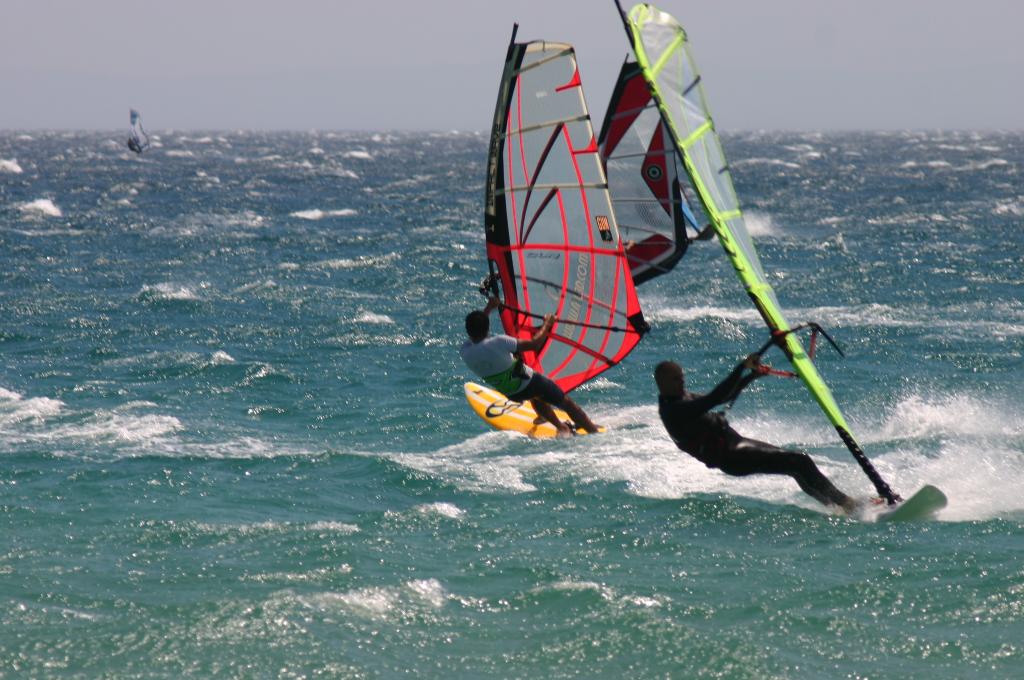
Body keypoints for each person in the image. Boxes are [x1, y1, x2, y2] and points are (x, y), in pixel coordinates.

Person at [654, 356, 859, 513]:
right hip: (732, 457)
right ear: (662, 382)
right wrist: (742, 367)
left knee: (795, 466)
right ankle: (847, 504)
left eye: (682, 377)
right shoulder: (674, 410)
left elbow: (726, 395)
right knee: (799, 461)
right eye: (676, 379)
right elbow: (715, 398)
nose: (681, 382)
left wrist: (751, 375)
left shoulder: (682, 396)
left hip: (737, 444)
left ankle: (837, 507)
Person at [461, 297, 599, 437]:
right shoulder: (499, 342)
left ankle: (561, 427)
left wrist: (489, 307)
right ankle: (594, 433)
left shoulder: (465, 351)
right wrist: (547, 323)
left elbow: (478, 328)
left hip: (512, 393)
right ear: (487, 327)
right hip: (530, 382)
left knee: (535, 396)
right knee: (567, 404)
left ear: (468, 330)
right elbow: (535, 344)